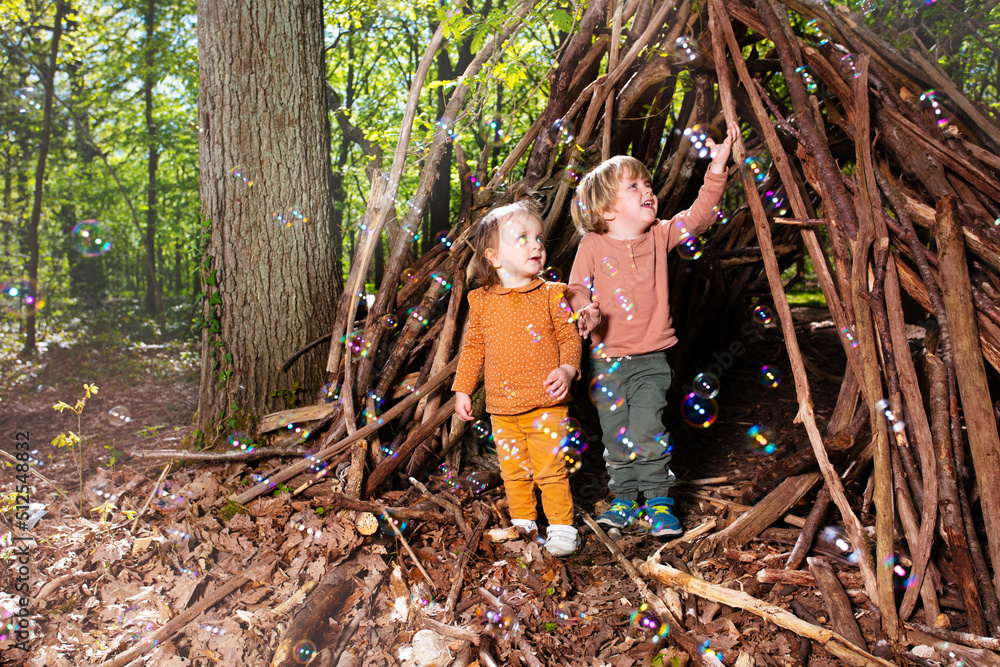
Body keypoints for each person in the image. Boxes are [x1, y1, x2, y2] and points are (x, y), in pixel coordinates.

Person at [565, 122, 739, 537]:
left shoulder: (661, 235)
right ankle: (624, 500)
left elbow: (699, 217)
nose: (648, 190)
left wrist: (716, 167)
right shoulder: (592, 245)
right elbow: (574, 289)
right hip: (606, 361)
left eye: (647, 183)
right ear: (608, 210)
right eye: (634, 187)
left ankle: (659, 501)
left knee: (646, 429)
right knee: (614, 433)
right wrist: (583, 312)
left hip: (650, 359)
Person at [453, 199, 583, 556]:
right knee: (513, 469)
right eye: (522, 238)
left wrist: (568, 369)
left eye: (539, 238)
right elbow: (474, 348)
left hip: (546, 403)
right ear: (494, 257)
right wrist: (463, 389)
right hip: (501, 407)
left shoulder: (552, 294)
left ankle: (561, 525)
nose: (536, 245)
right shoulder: (481, 300)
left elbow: (570, 338)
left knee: (550, 468)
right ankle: (523, 521)